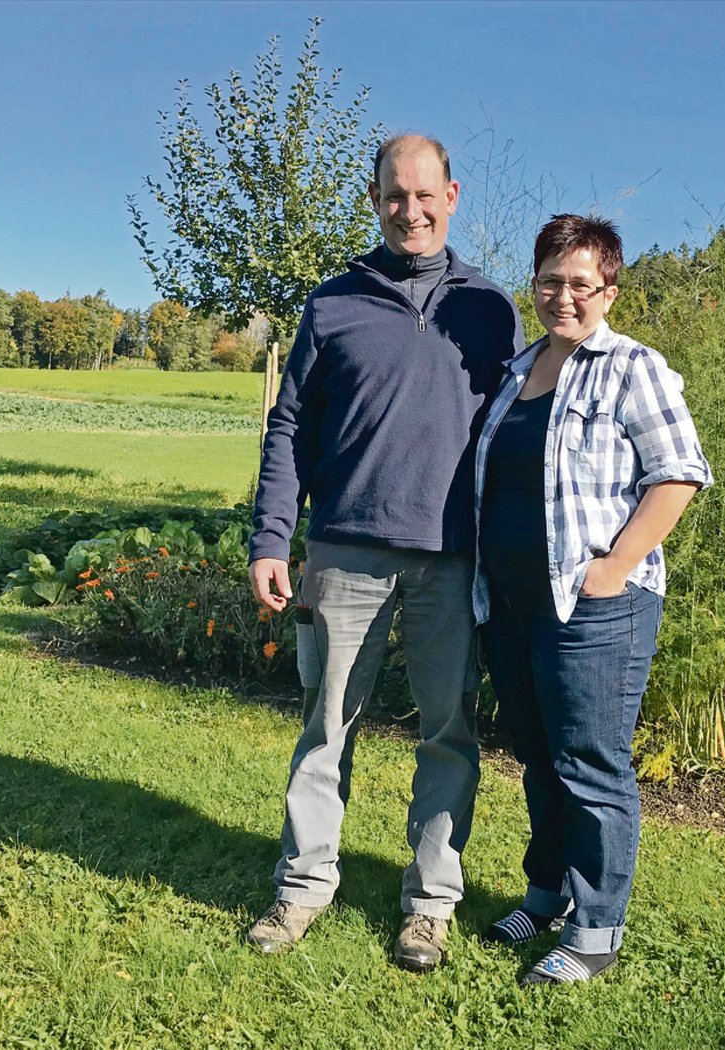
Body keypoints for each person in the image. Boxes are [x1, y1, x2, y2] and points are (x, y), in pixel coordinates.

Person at [245, 134, 523, 972]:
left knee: (447, 732)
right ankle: (302, 887)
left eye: (425, 194)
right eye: (395, 195)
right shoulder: (333, 304)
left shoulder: (492, 308)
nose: (411, 210)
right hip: (344, 552)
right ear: (374, 200)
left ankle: (431, 903)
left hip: (451, 558)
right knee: (325, 727)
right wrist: (271, 535)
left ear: (452, 195)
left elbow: (516, 438)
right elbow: (289, 424)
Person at [473, 214, 712, 985]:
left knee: (590, 764)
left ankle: (599, 929)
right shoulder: (515, 372)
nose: (563, 296)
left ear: (609, 289)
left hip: (595, 608)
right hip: (512, 604)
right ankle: (548, 894)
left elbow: (678, 474)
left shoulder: (631, 366)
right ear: (533, 283)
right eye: (550, 280)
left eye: (581, 283)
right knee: (537, 758)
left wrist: (614, 567)